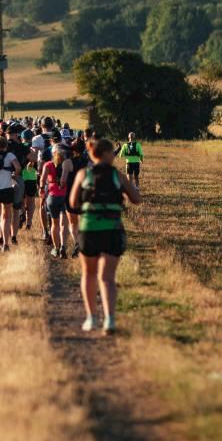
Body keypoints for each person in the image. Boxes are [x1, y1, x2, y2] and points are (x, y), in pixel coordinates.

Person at [68, 138, 142, 333]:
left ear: (93, 154)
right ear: (109, 154)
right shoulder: (117, 175)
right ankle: (109, 320)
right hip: (112, 229)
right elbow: (136, 199)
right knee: (107, 278)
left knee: (89, 274)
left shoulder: (84, 174)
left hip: (89, 228)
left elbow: (73, 203)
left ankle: (91, 318)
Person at [41, 144, 73, 258]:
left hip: (52, 196)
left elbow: (42, 180)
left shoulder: (48, 164)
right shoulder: (67, 163)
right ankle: (63, 246)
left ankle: (56, 248)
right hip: (65, 196)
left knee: (55, 224)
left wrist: (41, 188)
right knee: (64, 223)